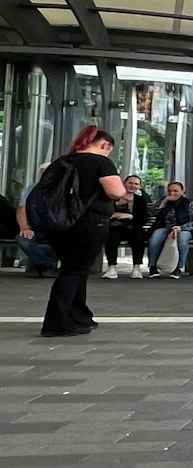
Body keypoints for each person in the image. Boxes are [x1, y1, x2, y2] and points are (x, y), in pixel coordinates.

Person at [33, 127, 127, 337]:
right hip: (88, 223)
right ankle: (56, 322)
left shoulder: (62, 162)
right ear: (105, 145)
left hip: (59, 224)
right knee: (73, 271)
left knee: (75, 269)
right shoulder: (101, 162)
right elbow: (116, 191)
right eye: (108, 150)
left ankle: (78, 316)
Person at [146, 180, 193, 278]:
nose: (172, 193)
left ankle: (178, 267)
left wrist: (181, 227)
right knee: (155, 238)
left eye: (175, 191)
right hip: (165, 227)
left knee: (182, 239)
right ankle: (152, 266)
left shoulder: (188, 203)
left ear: (182, 192)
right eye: (170, 191)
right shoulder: (163, 201)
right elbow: (152, 214)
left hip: (184, 228)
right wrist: (162, 204)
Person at [101, 174, 148, 279]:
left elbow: (143, 219)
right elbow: (107, 214)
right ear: (124, 183)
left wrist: (129, 216)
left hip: (133, 227)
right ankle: (112, 267)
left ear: (139, 186)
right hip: (115, 227)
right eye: (130, 183)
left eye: (136, 184)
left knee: (138, 238)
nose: (133, 186)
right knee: (112, 238)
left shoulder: (140, 200)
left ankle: (136, 268)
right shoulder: (114, 197)